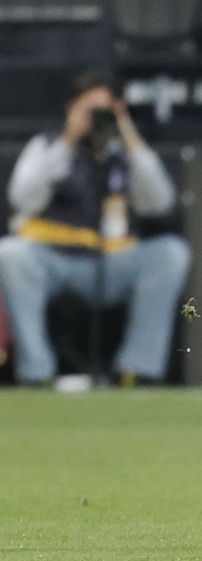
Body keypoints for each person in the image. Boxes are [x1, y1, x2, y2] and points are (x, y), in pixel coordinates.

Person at [0, 73, 191, 388]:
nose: (95, 119)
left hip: (113, 259)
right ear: (71, 108)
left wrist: (127, 135)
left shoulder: (123, 153)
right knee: (10, 253)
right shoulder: (47, 146)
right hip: (54, 259)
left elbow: (160, 202)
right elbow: (22, 199)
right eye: (88, 110)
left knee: (171, 253)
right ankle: (37, 373)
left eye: (104, 111)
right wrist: (68, 140)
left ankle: (137, 370)